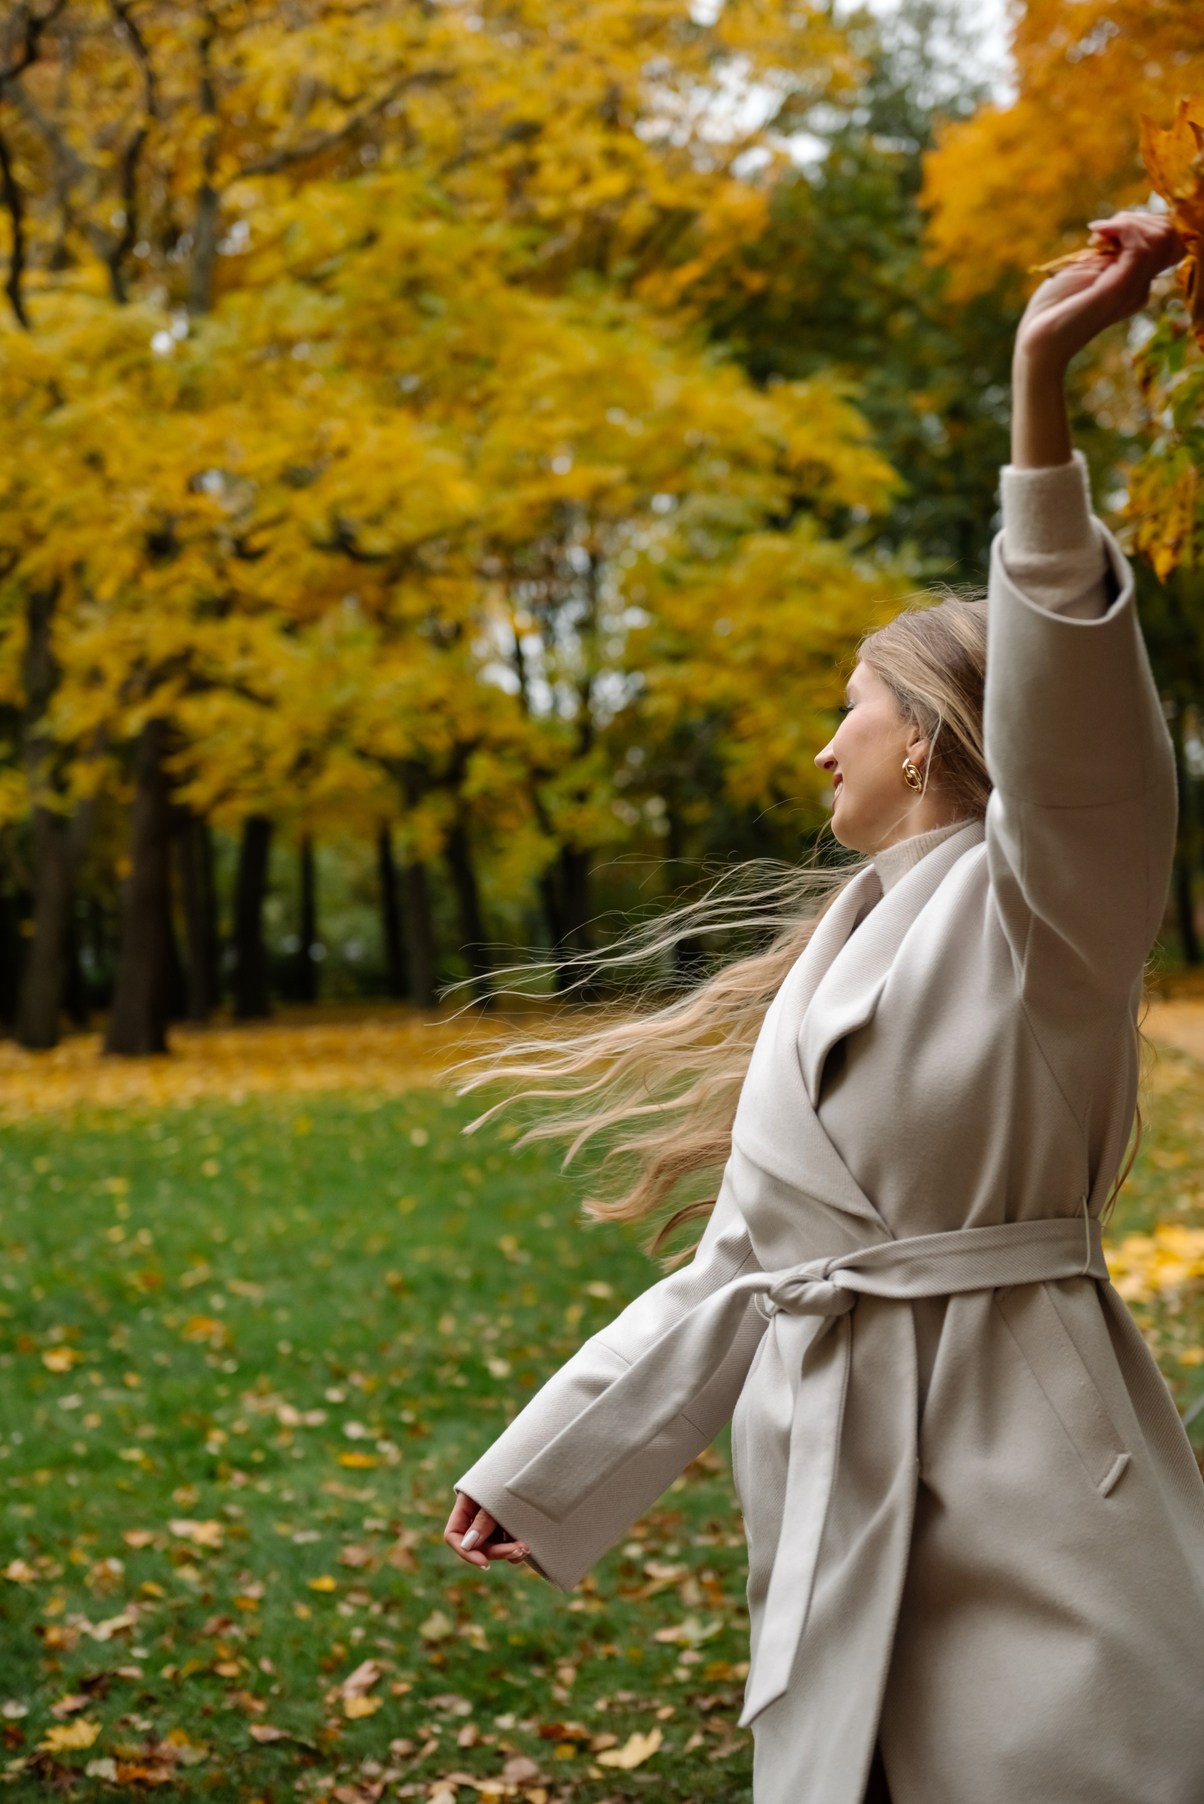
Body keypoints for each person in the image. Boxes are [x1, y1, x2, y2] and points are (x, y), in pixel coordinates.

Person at [443, 212, 1204, 1804]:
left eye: (844, 709)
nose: (820, 749)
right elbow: (749, 1265)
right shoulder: (835, 959)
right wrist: (551, 1467)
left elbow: (1081, 732)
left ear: (929, 733)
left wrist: (1041, 385)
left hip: (1029, 1475)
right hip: (832, 1473)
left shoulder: (1053, 905)